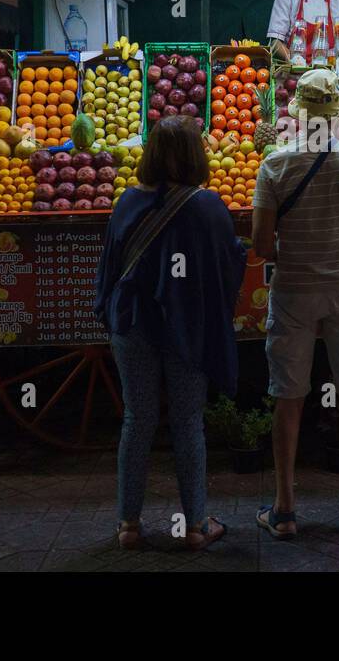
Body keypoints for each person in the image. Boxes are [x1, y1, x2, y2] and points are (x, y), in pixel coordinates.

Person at [93, 116, 248, 551]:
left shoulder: (126, 202)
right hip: (187, 329)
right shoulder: (208, 206)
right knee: (186, 422)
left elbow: (109, 265)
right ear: (197, 154)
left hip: (133, 324)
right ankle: (196, 524)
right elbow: (229, 262)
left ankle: (128, 524)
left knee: (136, 421)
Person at [250, 69, 339, 537]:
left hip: (293, 293)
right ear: (335, 115)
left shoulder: (274, 165)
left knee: (288, 397)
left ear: (298, 115)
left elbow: (262, 247)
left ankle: (285, 509)